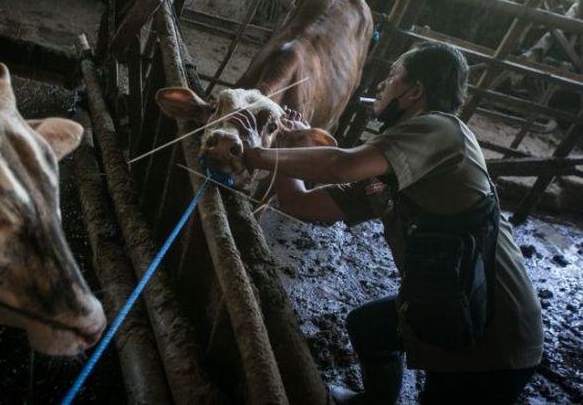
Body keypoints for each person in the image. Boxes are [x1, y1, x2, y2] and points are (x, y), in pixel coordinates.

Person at [231, 42, 543, 404]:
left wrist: (252, 154)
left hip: (493, 330)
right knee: (368, 327)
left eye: (392, 76)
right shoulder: (390, 172)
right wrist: (289, 141)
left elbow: (340, 164)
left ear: (414, 91)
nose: (381, 84)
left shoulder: (442, 130)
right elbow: (299, 203)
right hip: (445, 297)